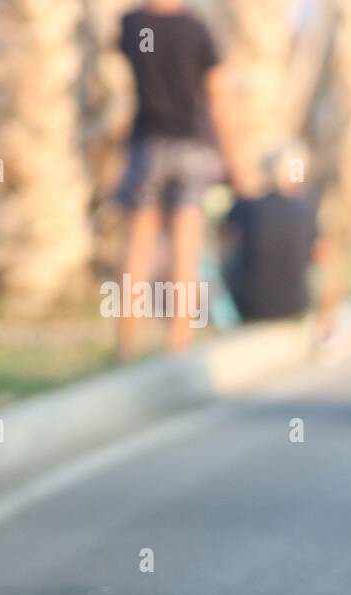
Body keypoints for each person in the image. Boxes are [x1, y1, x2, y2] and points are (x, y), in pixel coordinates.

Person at [115, 0, 244, 361]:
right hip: (193, 147)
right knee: (187, 252)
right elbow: (220, 98)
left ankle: (124, 348)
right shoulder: (196, 29)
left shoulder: (132, 24)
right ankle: (179, 345)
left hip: (147, 145)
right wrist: (234, 162)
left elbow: (123, 84)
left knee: (137, 250)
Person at [221, 143, 340, 342]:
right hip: (296, 305)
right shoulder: (306, 208)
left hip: (246, 307)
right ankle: (328, 332)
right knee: (328, 262)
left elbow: (223, 246)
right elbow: (327, 262)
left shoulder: (244, 207)